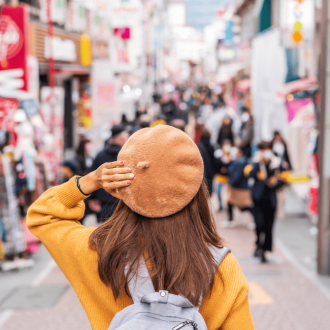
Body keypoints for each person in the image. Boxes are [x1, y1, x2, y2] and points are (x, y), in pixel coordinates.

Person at [27, 125, 254, 330]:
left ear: (124, 186)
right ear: (197, 192)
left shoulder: (97, 252)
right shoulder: (220, 268)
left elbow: (41, 214)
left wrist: (91, 181)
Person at [247, 141, 286, 263]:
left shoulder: (277, 163)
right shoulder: (256, 162)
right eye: (263, 149)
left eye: (267, 149)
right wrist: (259, 162)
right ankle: (258, 243)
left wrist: (276, 182)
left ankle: (263, 249)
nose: (265, 152)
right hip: (258, 199)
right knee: (259, 224)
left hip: (271, 200)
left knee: (268, 226)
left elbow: (284, 178)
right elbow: (251, 175)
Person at [89, 125, 129, 223]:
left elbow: (93, 176)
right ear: (122, 138)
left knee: (106, 234)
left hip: (104, 204)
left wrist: (92, 198)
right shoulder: (127, 155)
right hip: (124, 202)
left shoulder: (100, 155)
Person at [226, 146, 252, 225]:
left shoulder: (242, 161)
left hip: (240, 187)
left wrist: (231, 183)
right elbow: (230, 171)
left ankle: (255, 219)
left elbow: (238, 175)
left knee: (244, 206)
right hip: (237, 186)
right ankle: (230, 220)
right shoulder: (236, 161)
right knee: (230, 202)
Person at [214, 140, 233, 213]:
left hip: (228, 177)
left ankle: (229, 207)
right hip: (220, 177)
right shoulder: (219, 156)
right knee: (218, 191)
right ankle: (220, 205)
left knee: (228, 193)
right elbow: (215, 166)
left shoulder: (232, 157)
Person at [197, 127, 215, 195]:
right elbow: (213, 160)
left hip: (201, 169)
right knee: (209, 188)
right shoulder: (211, 147)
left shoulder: (198, 146)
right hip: (210, 169)